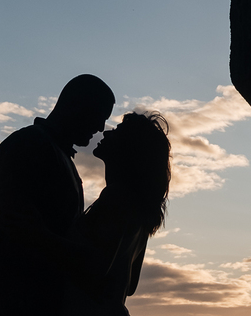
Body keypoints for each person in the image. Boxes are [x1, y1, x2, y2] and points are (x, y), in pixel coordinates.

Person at [0, 74, 116, 316]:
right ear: (76, 104)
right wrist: (87, 262)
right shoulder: (29, 144)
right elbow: (17, 227)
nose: (100, 127)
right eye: (99, 115)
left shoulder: (58, 155)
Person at [64, 111, 172, 315]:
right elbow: (129, 286)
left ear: (129, 148)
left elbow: (93, 267)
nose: (105, 133)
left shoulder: (118, 198)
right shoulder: (140, 210)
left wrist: (36, 235)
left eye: (116, 132)